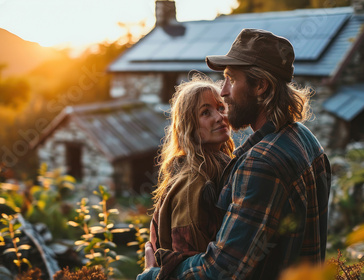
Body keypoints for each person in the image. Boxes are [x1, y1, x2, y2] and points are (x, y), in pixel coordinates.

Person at [138, 28, 331, 280]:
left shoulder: (261, 163)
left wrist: (152, 276)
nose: (225, 91)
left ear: (260, 86)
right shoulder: (305, 138)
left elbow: (220, 270)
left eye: (231, 79)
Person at [145, 74, 235, 279]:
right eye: (206, 112)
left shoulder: (219, 168)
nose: (220, 116)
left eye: (221, 108)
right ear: (189, 127)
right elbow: (188, 264)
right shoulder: (192, 184)